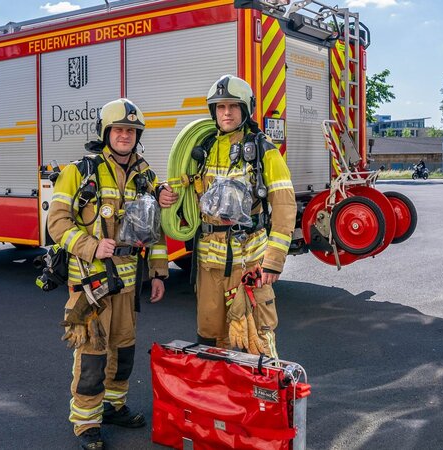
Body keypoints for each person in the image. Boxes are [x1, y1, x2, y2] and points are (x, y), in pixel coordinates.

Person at [48, 98, 168, 450]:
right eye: (118, 129)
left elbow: (155, 230)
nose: (125, 135)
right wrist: (89, 246)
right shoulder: (78, 171)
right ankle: (86, 422)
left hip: (128, 282)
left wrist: (158, 273)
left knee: (124, 350)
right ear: (106, 132)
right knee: (92, 355)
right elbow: (56, 223)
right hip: (91, 282)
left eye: (131, 131)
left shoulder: (146, 175)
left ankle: (114, 406)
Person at [158, 75, 296, 358]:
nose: (227, 113)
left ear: (245, 109)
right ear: (213, 112)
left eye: (233, 106)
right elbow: (183, 187)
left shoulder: (263, 150)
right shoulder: (204, 150)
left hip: (249, 263)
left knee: (255, 337)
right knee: (210, 337)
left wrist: (273, 261)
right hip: (209, 264)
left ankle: (262, 398)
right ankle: (218, 398)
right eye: (220, 107)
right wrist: (165, 192)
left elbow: (284, 205)